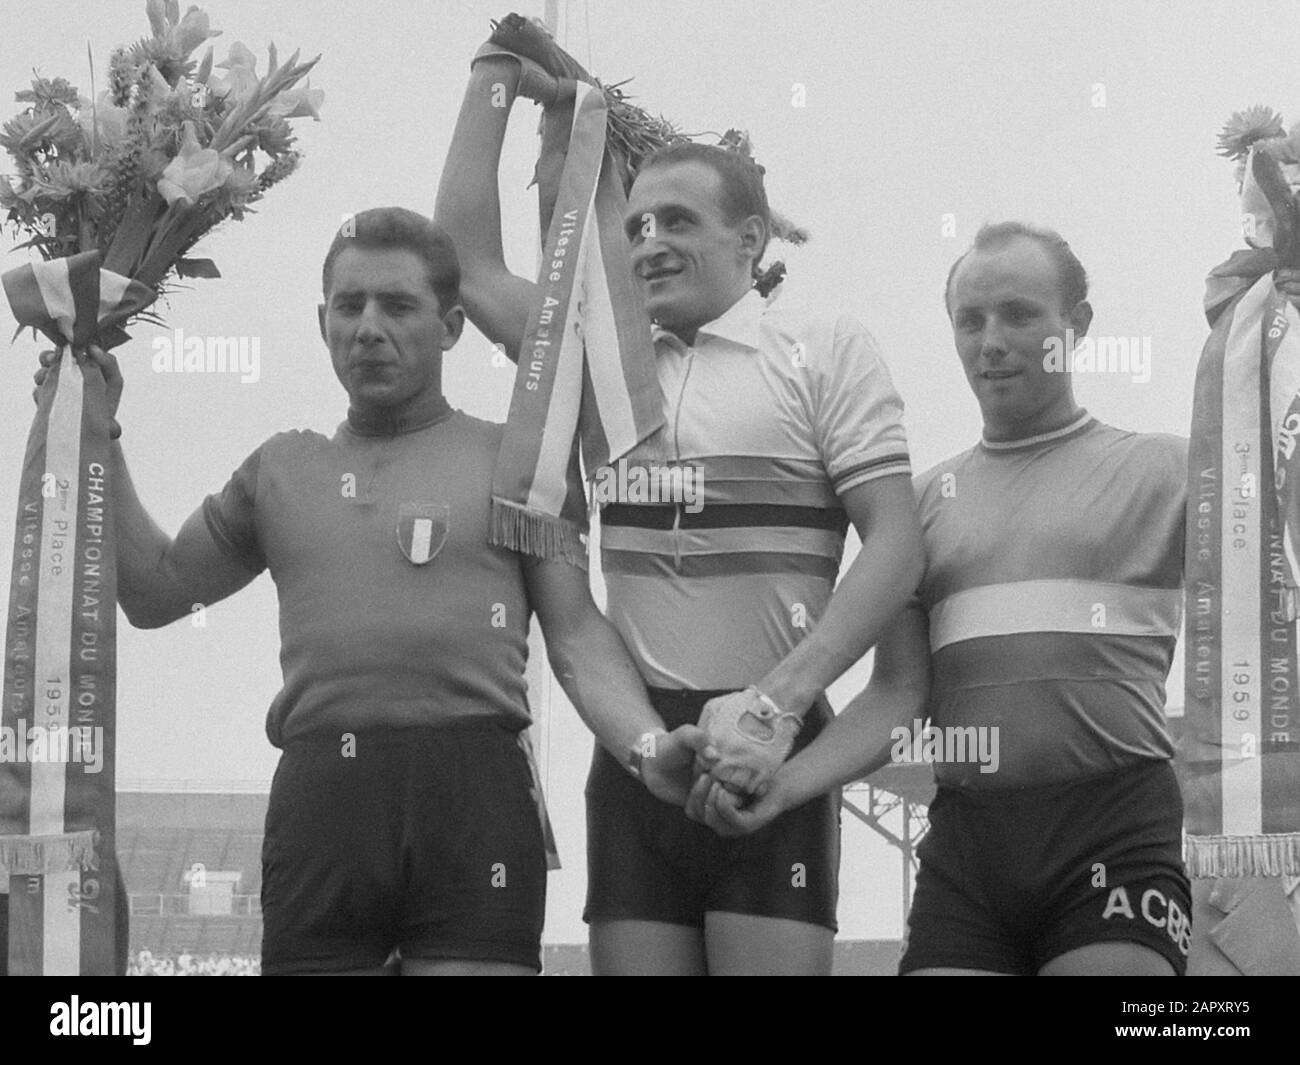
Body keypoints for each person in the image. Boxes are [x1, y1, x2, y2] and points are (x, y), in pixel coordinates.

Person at [44, 207, 707, 976]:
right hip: (326, 800)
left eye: (397, 306)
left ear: (452, 325)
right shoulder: (280, 471)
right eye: (348, 306)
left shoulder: (520, 462)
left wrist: (646, 744)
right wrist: (97, 432)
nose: (368, 327)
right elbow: (156, 592)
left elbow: (577, 636)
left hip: (474, 793)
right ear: (320, 322)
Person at [435, 37, 923, 975]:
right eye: (639, 224)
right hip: (641, 747)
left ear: (752, 241)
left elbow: (895, 546)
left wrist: (774, 708)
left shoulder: (821, 349)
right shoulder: (590, 362)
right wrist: (494, 76)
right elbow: (460, 255)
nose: (651, 239)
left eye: (680, 222)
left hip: (774, 739)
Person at [706, 221, 1194, 976]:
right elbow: (897, 694)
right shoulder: (922, 508)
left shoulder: (1170, 471)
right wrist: (783, 786)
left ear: (1079, 326)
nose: (991, 340)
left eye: (1019, 314)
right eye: (971, 320)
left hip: (1114, 825)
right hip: (970, 840)